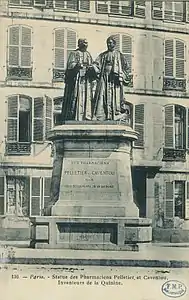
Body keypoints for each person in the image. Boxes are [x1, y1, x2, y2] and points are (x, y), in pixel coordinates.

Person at [92, 36, 130, 121]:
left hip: (114, 79)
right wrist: (94, 67)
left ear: (114, 44)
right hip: (104, 77)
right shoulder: (103, 55)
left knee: (115, 96)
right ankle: (101, 115)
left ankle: (115, 114)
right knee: (102, 94)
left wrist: (121, 75)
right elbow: (96, 63)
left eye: (111, 42)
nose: (109, 44)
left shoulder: (119, 54)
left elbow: (126, 67)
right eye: (108, 43)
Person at [61, 38, 95, 121]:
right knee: (76, 96)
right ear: (79, 44)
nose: (85, 45)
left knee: (87, 97)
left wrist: (91, 67)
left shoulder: (88, 54)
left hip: (86, 80)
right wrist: (77, 65)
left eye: (86, 43)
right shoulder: (74, 53)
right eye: (84, 43)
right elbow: (70, 65)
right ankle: (75, 116)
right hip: (77, 79)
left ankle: (86, 116)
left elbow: (93, 64)